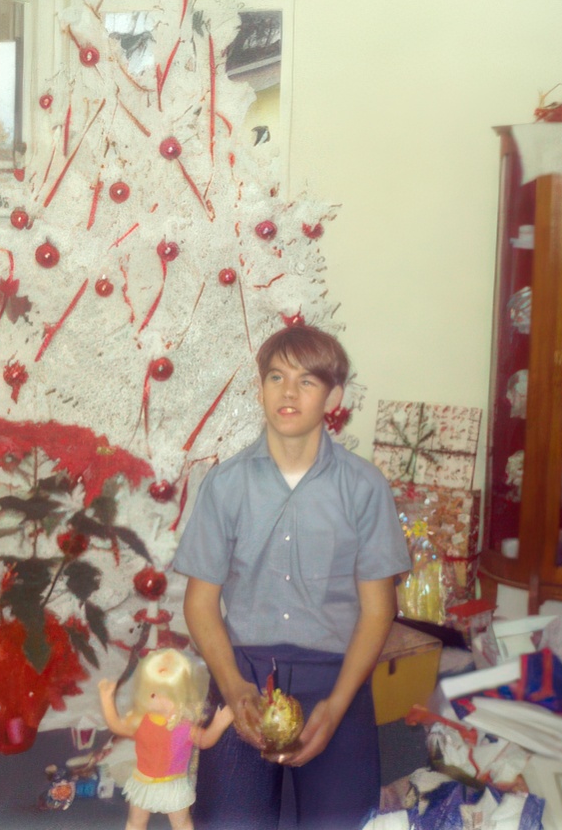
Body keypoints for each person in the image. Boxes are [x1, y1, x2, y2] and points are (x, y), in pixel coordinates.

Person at [172, 324, 411, 830]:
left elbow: (377, 610)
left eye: (307, 381)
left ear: (334, 396)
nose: (287, 392)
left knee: (344, 823)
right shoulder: (226, 484)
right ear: (260, 388)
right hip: (247, 674)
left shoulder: (364, 488)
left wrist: (337, 706)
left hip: (334, 675)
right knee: (227, 825)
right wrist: (234, 689)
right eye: (276, 377)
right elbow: (199, 603)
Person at [98, 648, 234, 830]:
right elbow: (117, 726)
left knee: (182, 824)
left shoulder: (184, 726)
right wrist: (107, 700)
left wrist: (219, 724)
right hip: (143, 781)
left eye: (168, 695)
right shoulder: (140, 720)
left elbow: (204, 740)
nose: (159, 700)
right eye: (153, 694)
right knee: (135, 822)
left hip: (173, 784)